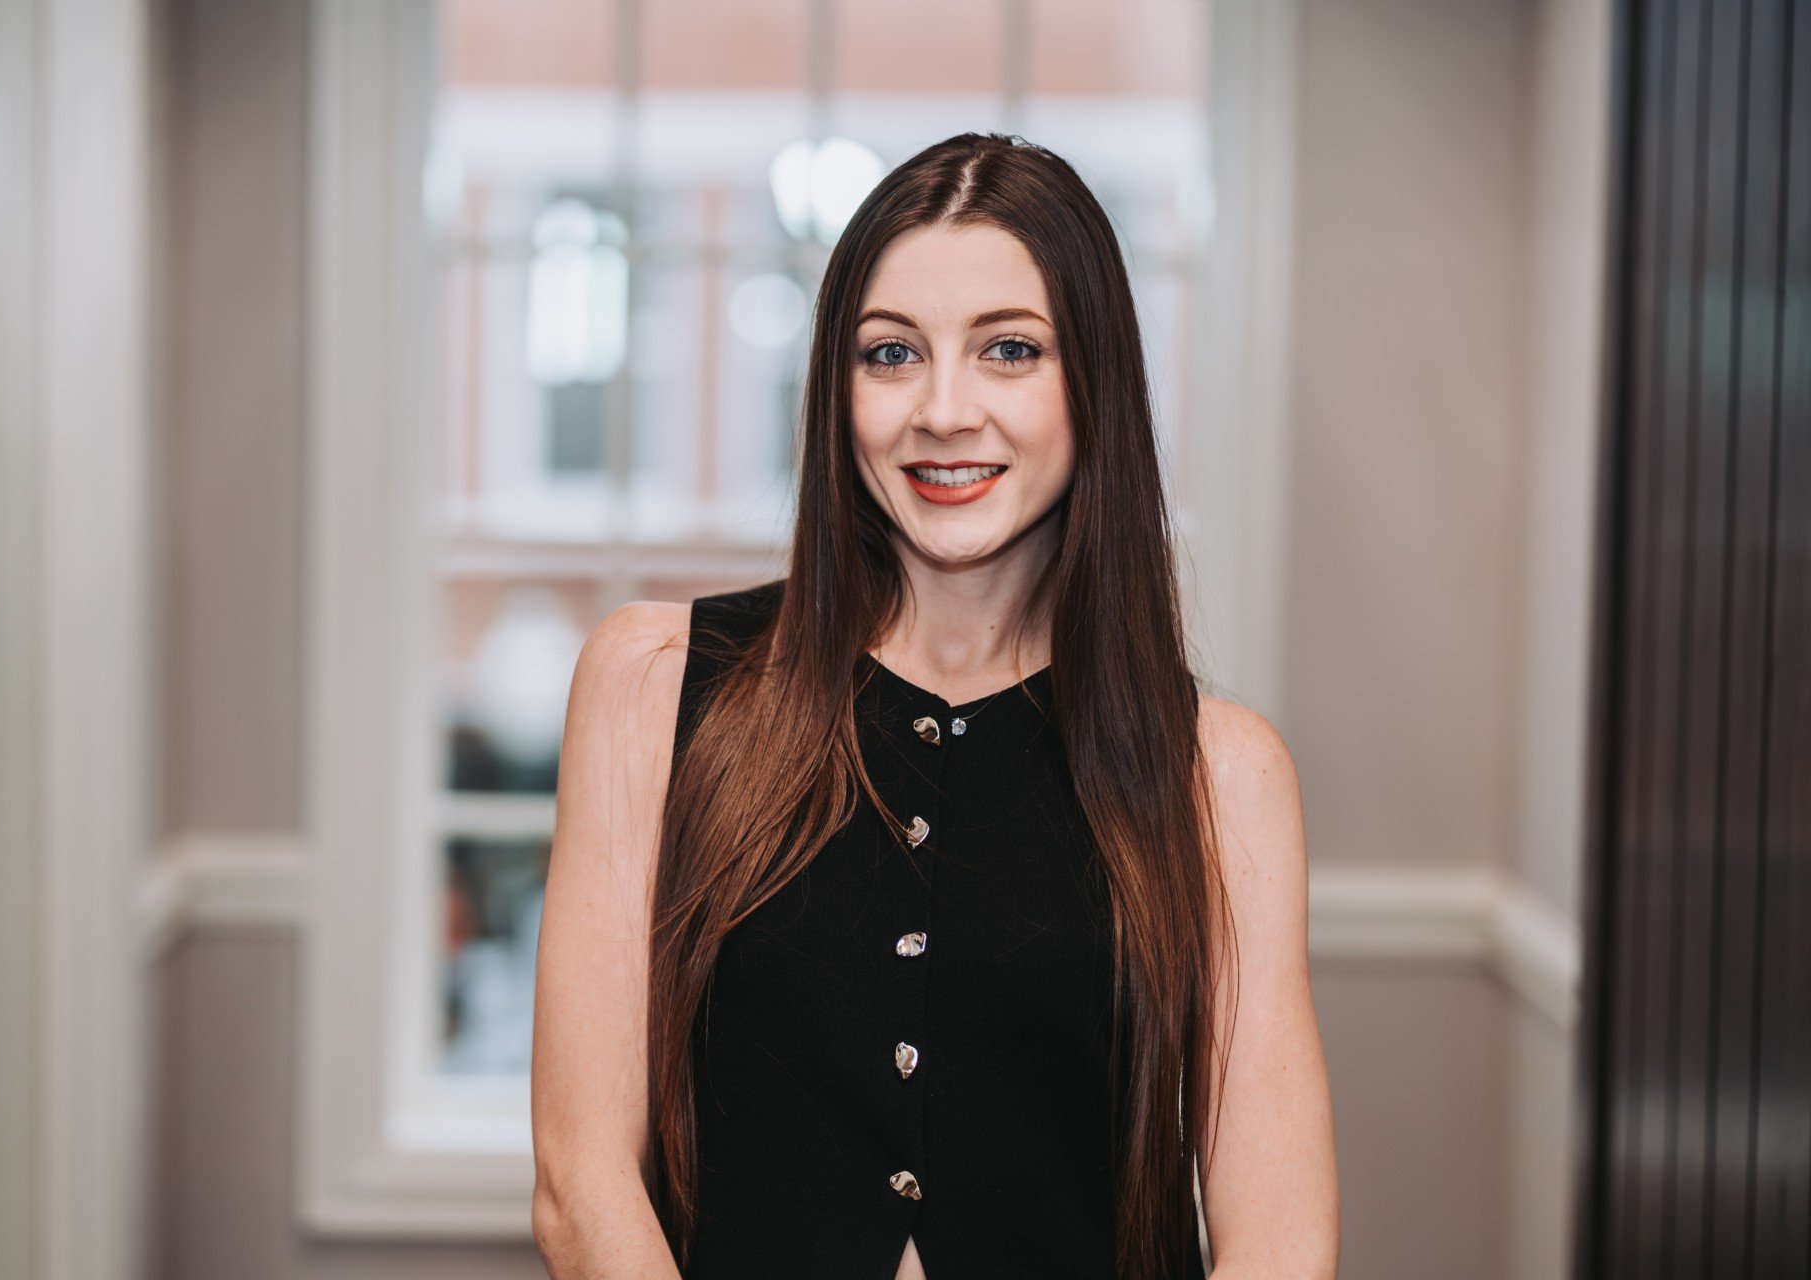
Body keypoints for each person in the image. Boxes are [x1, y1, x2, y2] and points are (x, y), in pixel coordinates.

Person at [530, 132, 1339, 1279]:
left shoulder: (1222, 773)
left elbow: (1280, 1245)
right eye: (890, 353)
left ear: (1092, 381)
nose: (943, 411)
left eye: (1010, 349)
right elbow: (579, 1184)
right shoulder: (655, 682)